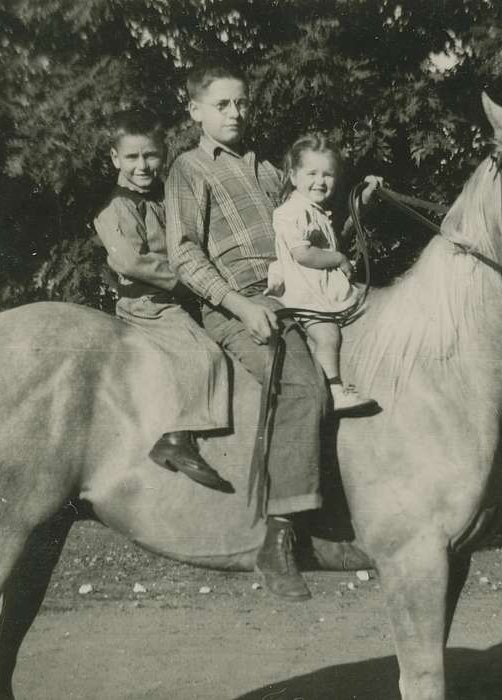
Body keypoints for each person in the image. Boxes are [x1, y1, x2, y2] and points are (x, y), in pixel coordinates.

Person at [165, 61, 333, 601]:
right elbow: (184, 254)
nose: (236, 112)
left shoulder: (266, 170)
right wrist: (239, 304)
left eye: (241, 103)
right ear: (195, 111)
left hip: (293, 293)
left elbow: (309, 211)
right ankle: (278, 538)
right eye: (222, 104)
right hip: (238, 304)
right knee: (304, 387)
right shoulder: (189, 170)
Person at [93, 109, 233, 494]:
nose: (143, 165)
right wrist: (192, 281)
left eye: (151, 155)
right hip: (150, 303)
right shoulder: (118, 210)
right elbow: (131, 261)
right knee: (203, 352)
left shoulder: (166, 198)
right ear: (115, 159)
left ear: (163, 155)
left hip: (178, 294)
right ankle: (175, 435)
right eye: (133, 157)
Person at [267, 133, 379, 412]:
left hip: (324, 292)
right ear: (293, 176)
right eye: (312, 173)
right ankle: (335, 390)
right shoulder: (291, 211)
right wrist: (339, 258)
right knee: (328, 336)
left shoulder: (315, 209)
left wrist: (365, 197)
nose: (320, 181)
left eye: (328, 174)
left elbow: (340, 230)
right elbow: (302, 254)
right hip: (306, 296)